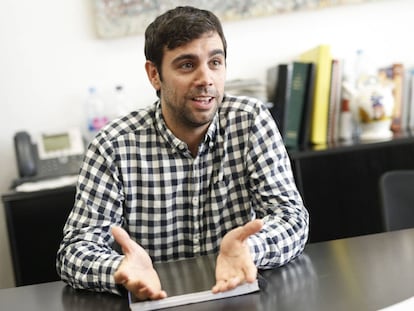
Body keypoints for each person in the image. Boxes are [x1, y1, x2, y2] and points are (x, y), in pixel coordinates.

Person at [56, 5, 309, 300]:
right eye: (187, 65)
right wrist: (120, 268)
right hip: (156, 300)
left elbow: (292, 219)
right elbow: (74, 251)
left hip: (239, 297)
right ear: (154, 75)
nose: (206, 78)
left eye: (215, 62)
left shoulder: (251, 120)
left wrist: (251, 248)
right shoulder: (114, 146)